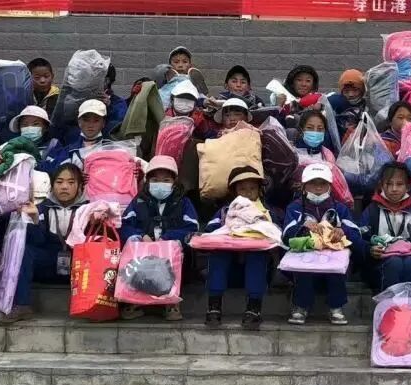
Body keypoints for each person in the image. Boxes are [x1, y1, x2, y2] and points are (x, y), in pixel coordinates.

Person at [0, 161, 87, 324]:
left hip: (78, 268)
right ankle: (22, 305)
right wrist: (35, 220)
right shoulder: (41, 208)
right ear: (52, 186)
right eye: (59, 182)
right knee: (25, 250)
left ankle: (92, 305)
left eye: (71, 182)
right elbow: (38, 241)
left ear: (80, 186)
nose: (64, 187)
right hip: (48, 265)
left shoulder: (89, 209)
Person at [119, 155, 200, 321]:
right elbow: (125, 226)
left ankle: (171, 302)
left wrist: (168, 239)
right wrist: (140, 236)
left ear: (174, 182)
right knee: (131, 248)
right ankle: (133, 301)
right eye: (155, 180)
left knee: (175, 251)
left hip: (172, 258)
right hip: (143, 256)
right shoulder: (138, 202)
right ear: (148, 181)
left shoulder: (183, 203)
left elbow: (192, 228)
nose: (160, 184)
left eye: (166, 180)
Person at [282, 163, 362, 326]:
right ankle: (300, 306)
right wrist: (303, 226)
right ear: (304, 186)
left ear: (330, 186)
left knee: (336, 270)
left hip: (332, 256)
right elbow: (285, 236)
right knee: (303, 270)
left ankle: (336, 307)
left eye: (323, 183)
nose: (318, 188)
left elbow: (356, 234)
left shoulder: (340, 209)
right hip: (305, 254)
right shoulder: (294, 208)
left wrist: (342, 230)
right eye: (313, 183)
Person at [204, 166, 279, 330]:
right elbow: (210, 231)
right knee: (219, 254)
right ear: (234, 192)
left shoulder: (267, 213)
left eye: (252, 188)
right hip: (229, 272)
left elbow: (278, 234)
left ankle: (254, 308)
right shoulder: (224, 212)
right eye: (242, 189)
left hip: (258, 272)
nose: (248, 193)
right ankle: (214, 306)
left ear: (259, 190)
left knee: (257, 255)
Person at [358, 163, 411, 291]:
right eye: (389, 184)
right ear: (381, 186)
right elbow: (358, 238)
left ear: (408, 187)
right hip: (379, 265)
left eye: (399, 184)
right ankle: (389, 302)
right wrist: (369, 249)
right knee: (394, 263)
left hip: (410, 259)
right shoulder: (372, 211)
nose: (394, 189)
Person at [42, 99, 108, 172]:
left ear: (103, 123)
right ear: (79, 122)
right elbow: (45, 168)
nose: (90, 125)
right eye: (86, 120)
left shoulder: (112, 149)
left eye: (96, 120)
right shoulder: (68, 152)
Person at [327, 69, 366, 138]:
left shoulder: (367, 107)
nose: (351, 94)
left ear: (362, 90)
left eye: (355, 90)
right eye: (346, 91)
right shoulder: (336, 103)